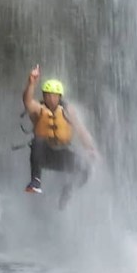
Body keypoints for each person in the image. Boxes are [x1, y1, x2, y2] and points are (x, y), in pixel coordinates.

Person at [22, 64, 97, 206]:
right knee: (37, 141)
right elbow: (27, 101)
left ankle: (68, 190)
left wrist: (91, 149)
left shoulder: (68, 111)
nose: (51, 98)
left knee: (86, 168)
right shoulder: (38, 109)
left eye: (54, 95)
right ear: (43, 95)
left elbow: (81, 130)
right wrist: (31, 83)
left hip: (61, 155)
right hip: (43, 156)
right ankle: (35, 181)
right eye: (47, 94)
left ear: (60, 96)